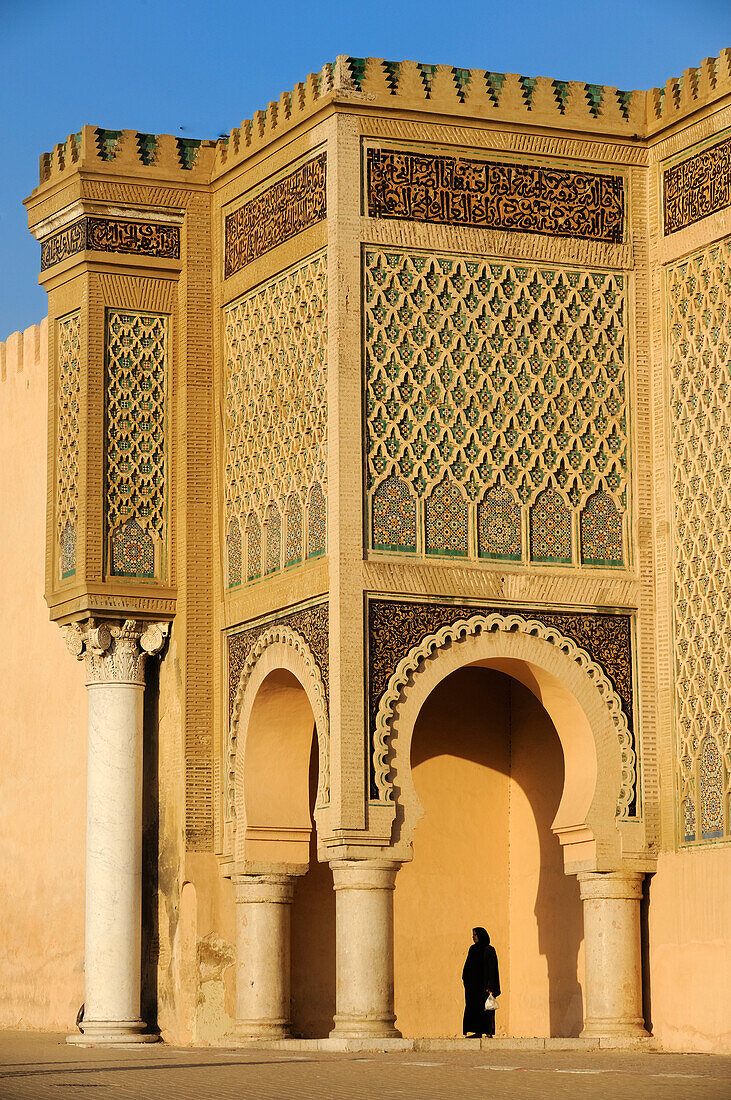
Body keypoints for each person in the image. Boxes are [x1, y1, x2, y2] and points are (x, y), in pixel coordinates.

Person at [462, 926, 500, 1037]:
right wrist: (466, 980)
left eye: (475, 935)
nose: (473, 937)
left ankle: (488, 1032)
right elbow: (468, 967)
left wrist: (491, 986)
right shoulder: (472, 949)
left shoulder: (489, 950)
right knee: (474, 1008)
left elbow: (493, 969)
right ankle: (477, 1032)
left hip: (485, 987)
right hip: (473, 987)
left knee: (487, 1009)